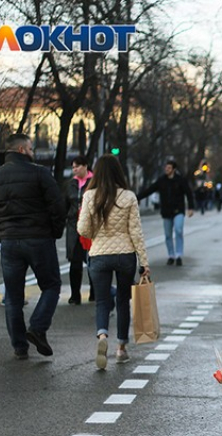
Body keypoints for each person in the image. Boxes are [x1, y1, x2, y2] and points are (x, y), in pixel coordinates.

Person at [0, 133, 66, 360]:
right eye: (30, 148)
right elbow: (57, 205)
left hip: (9, 242)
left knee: (13, 296)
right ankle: (37, 328)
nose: (33, 152)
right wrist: (54, 232)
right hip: (39, 239)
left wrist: (0, 235)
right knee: (51, 285)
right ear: (21, 150)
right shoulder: (40, 173)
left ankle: (19, 347)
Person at [77, 155, 150, 370]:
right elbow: (136, 232)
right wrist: (144, 261)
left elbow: (82, 229)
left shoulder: (89, 196)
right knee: (122, 300)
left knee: (101, 301)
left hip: (98, 254)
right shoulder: (128, 197)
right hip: (125, 255)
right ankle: (121, 349)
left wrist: (95, 233)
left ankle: (102, 335)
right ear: (119, 172)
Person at [137, 159, 194, 266]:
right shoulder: (162, 180)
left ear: (174, 169)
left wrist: (191, 208)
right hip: (166, 212)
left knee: (178, 230)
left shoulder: (180, 180)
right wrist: (136, 197)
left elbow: (188, 193)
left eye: (169, 168)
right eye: (166, 168)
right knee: (168, 235)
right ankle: (171, 255)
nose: (166, 170)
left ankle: (178, 255)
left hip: (178, 211)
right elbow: (150, 190)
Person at [64, 156, 95, 304]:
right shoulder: (71, 184)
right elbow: (65, 204)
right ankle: (75, 294)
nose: (75, 170)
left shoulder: (95, 182)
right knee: (75, 262)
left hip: (90, 226)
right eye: (73, 167)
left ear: (85, 166)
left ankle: (94, 291)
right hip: (73, 226)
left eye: (77, 166)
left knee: (92, 260)